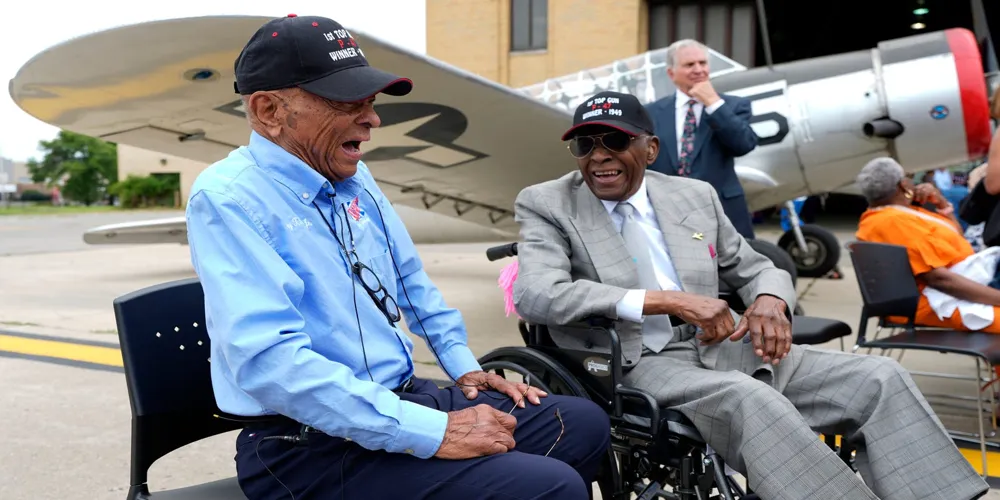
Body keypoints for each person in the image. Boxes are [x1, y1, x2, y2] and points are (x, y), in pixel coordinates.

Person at [184, 14, 610, 500]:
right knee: (550, 487)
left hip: (396, 400)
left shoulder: (353, 177)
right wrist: (435, 433)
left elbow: (409, 282)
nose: (372, 119)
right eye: (347, 102)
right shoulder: (228, 198)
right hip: (307, 444)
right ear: (268, 110)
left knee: (580, 424)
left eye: (370, 102)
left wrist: (462, 366)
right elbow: (272, 365)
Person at [511, 90, 989, 500]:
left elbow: (756, 265)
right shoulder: (548, 202)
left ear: (650, 148)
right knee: (752, 400)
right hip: (635, 359)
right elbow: (538, 293)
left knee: (878, 377)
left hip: (722, 343)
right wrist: (667, 300)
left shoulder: (692, 195)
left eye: (614, 140)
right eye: (584, 144)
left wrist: (769, 301)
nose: (598, 156)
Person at [855, 157, 1000, 338]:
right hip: (936, 301)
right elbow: (939, 280)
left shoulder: (905, 212)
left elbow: (959, 242)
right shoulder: (890, 221)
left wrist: (940, 203)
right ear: (903, 186)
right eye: (909, 178)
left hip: (967, 283)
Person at [645, 39, 759, 239]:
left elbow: (744, 144)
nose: (698, 70)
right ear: (671, 73)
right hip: (666, 211)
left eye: (703, 63)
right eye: (690, 65)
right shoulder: (651, 113)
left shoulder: (733, 106)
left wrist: (713, 103)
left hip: (721, 210)